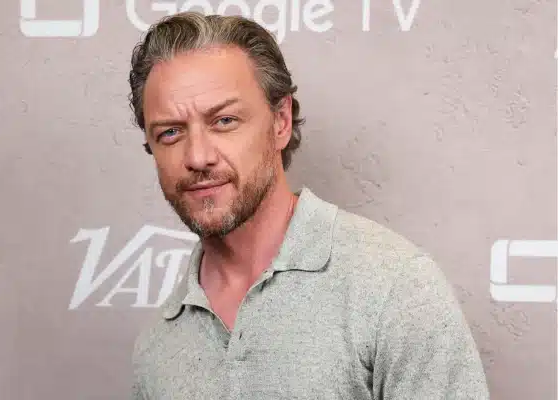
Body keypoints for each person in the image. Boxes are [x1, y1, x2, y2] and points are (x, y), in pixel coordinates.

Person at [127, 11, 490, 400]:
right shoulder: (156, 348)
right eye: (170, 132)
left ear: (281, 122)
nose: (198, 156)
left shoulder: (394, 287)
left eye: (225, 121)